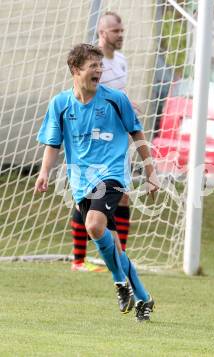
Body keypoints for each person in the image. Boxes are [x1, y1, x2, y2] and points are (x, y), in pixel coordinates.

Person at [35, 43, 158, 321]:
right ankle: (143, 297)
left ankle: (119, 282)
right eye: (93, 66)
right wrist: (44, 172)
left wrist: (151, 172)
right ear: (76, 70)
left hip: (112, 174)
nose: (99, 71)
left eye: (100, 66)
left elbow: (137, 134)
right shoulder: (60, 104)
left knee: (93, 224)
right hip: (80, 182)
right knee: (112, 243)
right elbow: (52, 143)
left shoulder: (116, 99)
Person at [70, 11, 133, 272]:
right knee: (83, 196)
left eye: (122, 30)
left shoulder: (121, 61)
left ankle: (120, 257)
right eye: (116, 31)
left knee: (124, 197)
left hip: (116, 139)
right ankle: (78, 260)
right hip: (93, 141)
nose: (121, 35)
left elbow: (120, 96)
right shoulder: (91, 63)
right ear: (102, 32)